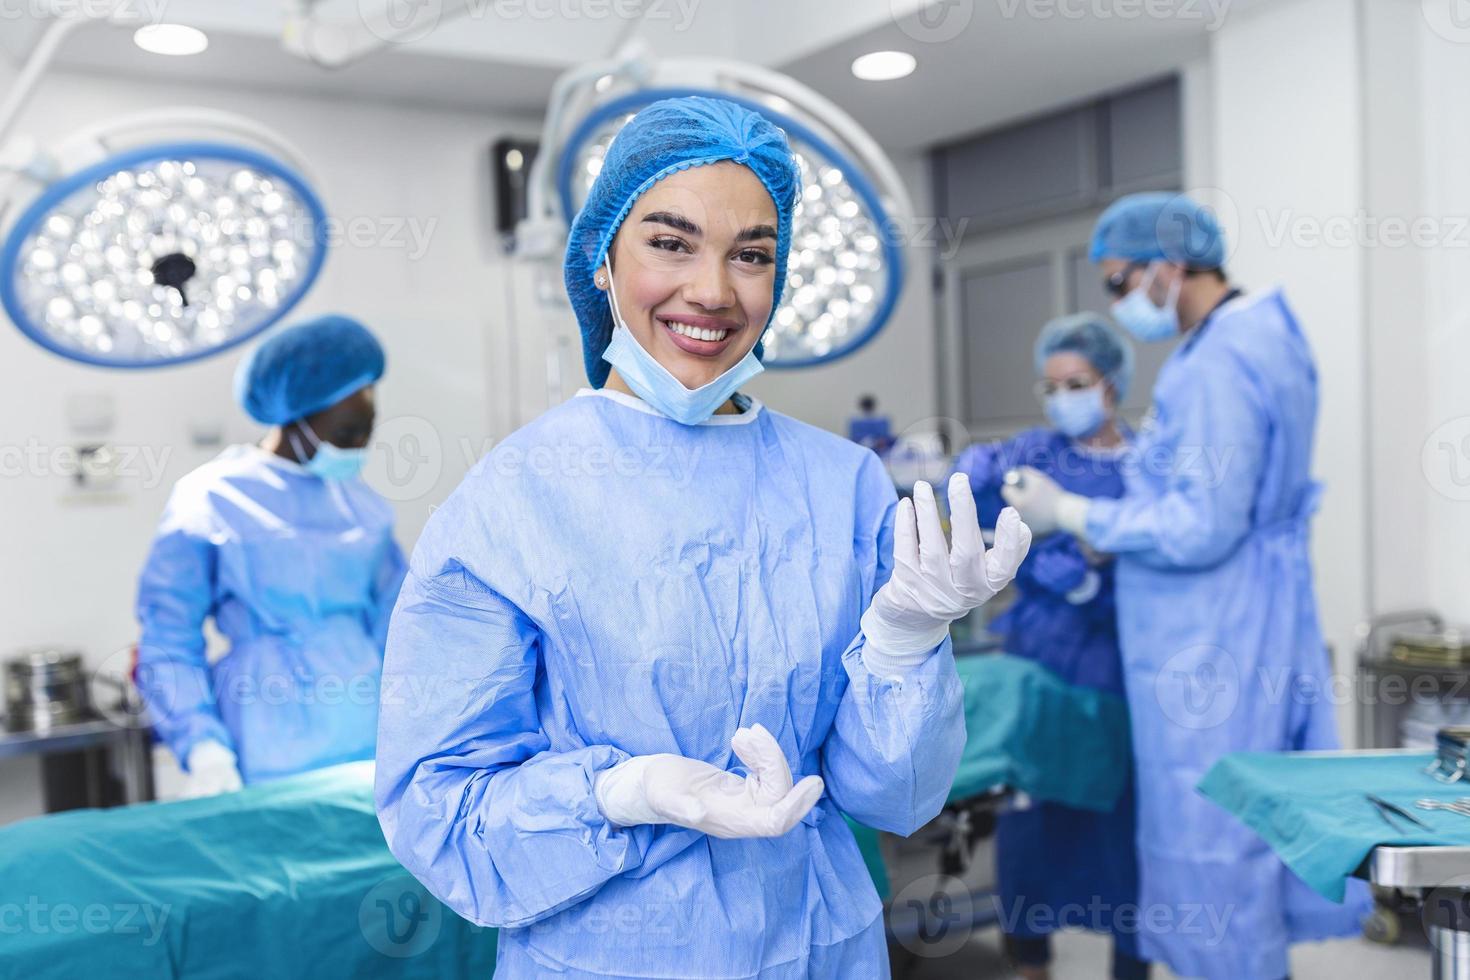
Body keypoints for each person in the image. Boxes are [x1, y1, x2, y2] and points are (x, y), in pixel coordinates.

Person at [373, 96, 1032, 979]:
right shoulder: (516, 498)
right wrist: (624, 791)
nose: (714, 291)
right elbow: (440, 807)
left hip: (822, 947)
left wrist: (907, 644)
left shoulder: (840, 484)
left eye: (751, 255)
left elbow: (895, 798)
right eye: (671, 243)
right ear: (602, 260)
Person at [1001, 193, 1365, 980]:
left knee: (1213, 830)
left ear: (1168, 268)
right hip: (1240, 612)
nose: (1118, 300)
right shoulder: (1254, 339)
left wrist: (1072, 511)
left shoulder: (1222, 361)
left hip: (1212, 629)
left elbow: (1203, 525)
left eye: (1119, 280)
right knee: (1241, 823)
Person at [135, 315, 405, 796]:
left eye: (368, 430)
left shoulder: (362, 507)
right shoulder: (211, 498)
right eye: (346, 434)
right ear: (295, 418)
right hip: (266, 741)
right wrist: (202, 746)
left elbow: (403, 630)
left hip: (370, 740)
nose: (360, 446)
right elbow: (168, 635)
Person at [954, 312, 1146, 980]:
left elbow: (1166, 565)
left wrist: (1095, 592)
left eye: (1078, 382)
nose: (1064, 396)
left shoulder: (1146, 465)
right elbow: (977, 516)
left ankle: (1130, 964)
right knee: (1030, 838)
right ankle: (1030, 964)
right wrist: (972, 480)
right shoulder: (1033, 451)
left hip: (1116, 672)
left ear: (1112, 383)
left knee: (1121, 838)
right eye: (1052, 384)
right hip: (1037, 663)